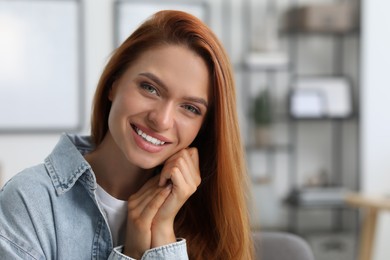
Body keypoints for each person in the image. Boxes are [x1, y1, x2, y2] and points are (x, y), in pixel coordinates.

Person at [0, 10, 254, 259]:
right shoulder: (29, 201)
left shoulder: (208, 217)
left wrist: (163, 234)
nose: (162, 120)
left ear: (204, 127)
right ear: (114, 83)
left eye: (190, 108)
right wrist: (132, 254)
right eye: (150, 88)